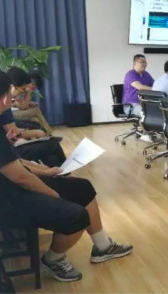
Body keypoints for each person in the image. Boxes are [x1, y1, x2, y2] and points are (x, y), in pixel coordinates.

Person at [0, 71, 132, 282]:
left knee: (82, 187)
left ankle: (103, 246)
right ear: (5, 98)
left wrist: (44, 171)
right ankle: (53, 259)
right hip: (8, 199)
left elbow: (13, 163)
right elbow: (19, 177)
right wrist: (53, 194)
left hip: (12, 185)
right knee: (76, 215)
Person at [6, 67, 53, 135]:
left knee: (36, 119)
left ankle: (46, 134)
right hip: (13, 113)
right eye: (32, 83)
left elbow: (20, 105)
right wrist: (28, 93)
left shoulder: (21, 90)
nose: (33, 86)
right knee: (36, 110)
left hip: (15, 112)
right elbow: (23, 107)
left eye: (35, 85)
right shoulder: (19, 90)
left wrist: (28, 102)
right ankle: (49, 133)